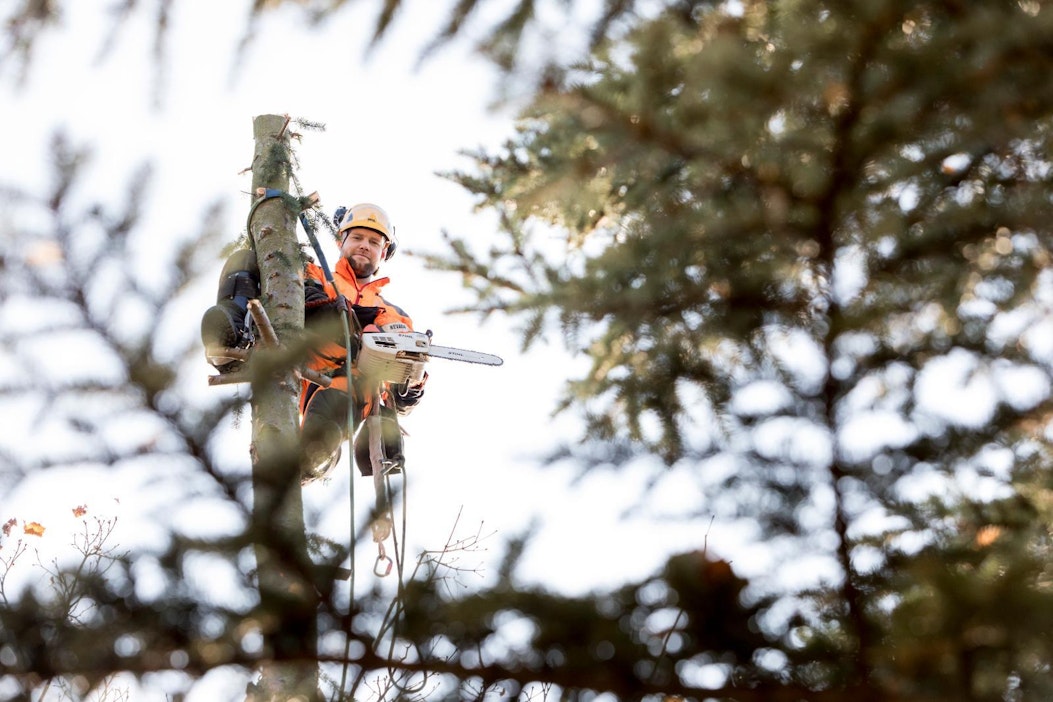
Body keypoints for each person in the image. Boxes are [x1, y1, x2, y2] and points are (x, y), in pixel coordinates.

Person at [201, 202, 426, 484]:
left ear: (384, 252)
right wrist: (332, 311)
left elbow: (402, 398)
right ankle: (231, 337)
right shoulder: (316, 274)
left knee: (321, 437)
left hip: (350, 386)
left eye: (374, 242)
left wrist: (412, 380)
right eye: (357, 237)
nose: (364, 246)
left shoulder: (394, 316)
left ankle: (316, 461)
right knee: (246, 260)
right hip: (302, 359)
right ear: (341, 241)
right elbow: (300, 300)